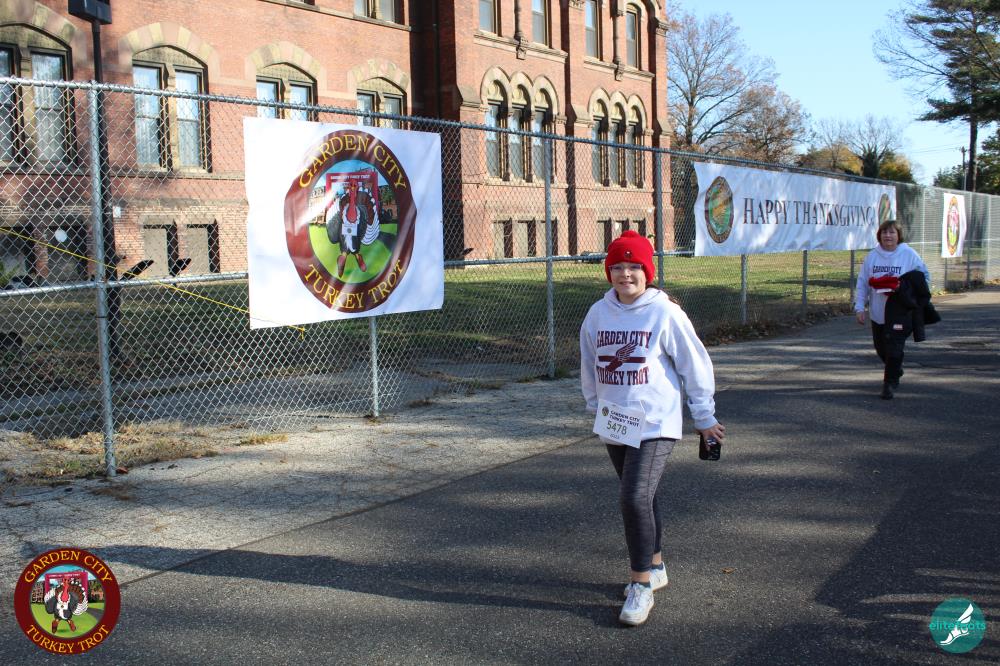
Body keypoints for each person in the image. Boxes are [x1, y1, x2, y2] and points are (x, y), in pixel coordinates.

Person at [580, 230, 725, 627]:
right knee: (643, 496)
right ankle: (655, 565)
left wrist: (703, 416)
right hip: (615, 420)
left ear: (648, 271)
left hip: (655, 421)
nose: (625, 274)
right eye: (617, 266)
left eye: (634, 266)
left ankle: (640, 584)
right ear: (608, 272)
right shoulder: (598, 313)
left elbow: (695, 365)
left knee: (633, 498)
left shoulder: (665, 313)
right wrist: (594, 405)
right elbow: (589, 363)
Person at [854, 219, 931, 399]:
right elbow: (862, 283)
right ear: (879, 235)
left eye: (891, 232)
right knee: (881, 348)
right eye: (884, 232)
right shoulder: (872, 256)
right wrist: (859, 307)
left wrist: (903, 288)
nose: (887, 236)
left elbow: (924, 278)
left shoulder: (909, 255)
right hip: (878, 313)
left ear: (899, 235)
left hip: (900, 313)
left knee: (894, 348)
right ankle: (895, 369)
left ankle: (889, 384)